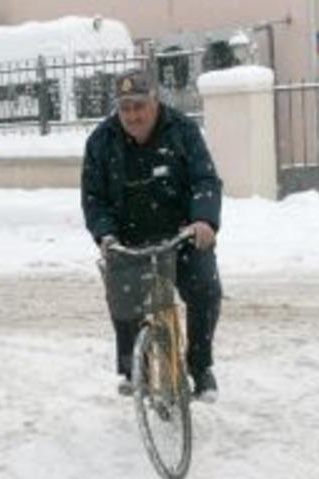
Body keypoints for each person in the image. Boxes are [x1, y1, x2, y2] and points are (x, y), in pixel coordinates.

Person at [81, 70, 223, 402]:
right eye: (125, 107)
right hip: (128, 239)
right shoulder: (101, 141)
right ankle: (134, 368)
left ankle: (200, 366)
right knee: (124, 298)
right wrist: (105, 235)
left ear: (155, 101)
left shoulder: (182, 131)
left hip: (182, 234)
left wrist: (203, 220)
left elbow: (205, 179)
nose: (132, 115)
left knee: (206, 289)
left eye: (139, 106)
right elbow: (94, 199)